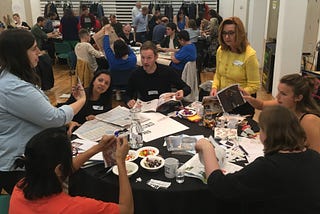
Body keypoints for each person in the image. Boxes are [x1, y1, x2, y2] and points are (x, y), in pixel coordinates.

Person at [0, 29, 86, 194]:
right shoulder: (13, 87)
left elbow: (38, 111)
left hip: (25, 158)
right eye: (33, 49)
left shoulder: (13, 78)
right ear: (18, 54)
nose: (38, 52)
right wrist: (81, 100)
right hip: (18, 165)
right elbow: (55, 118)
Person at [195, 105, 320, 213]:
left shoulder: (268, 167)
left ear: (268, 134)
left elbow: (221, 187)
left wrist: (207, 148)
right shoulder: (314, 157)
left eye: (261, 130)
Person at [9, 127, 134, 214]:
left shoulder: (20, 187)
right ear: (59, 169)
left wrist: (97, 148)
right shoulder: (75, 208)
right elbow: (126, 210)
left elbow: (61, 170)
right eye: (71, 154)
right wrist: (120, 162)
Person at [243, 73, 320, 153]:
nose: (277, 96)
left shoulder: (310, 120)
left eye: (283, 94)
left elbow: (316, 157)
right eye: (279, 91)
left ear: (298, 97)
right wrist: (248, 98)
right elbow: (261, 105)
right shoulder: (285, 105)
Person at [210, 16, 260, 117]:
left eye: (231, 33)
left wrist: (238, 93)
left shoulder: (249, 55)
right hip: (223, 101)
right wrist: (214, 87)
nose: (227, 37)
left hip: (242, 103)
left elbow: (254, 86)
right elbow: (218, 74)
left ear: (239, 34)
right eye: (224, 33)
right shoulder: (221, 50)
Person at [125, 41, 191, 108]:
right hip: (144, 109)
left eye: (149, 58)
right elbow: (127, 94)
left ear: (156, 57)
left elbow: (187, 88)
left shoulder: (167, 71)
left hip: (165, 108)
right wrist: (129, 101)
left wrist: (183, 92)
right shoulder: (136, 74)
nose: (145, 62)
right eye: (143, 57)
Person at [64, 70, 113, 136]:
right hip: (76, 128)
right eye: (100, 80)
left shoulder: (107, 97)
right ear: (93, 81)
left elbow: (108, 116)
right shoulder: (80, 94)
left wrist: (97, 118)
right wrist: (70, 123)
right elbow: (62, 114)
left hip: (95, 131)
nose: (102, 84)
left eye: (106, 83)